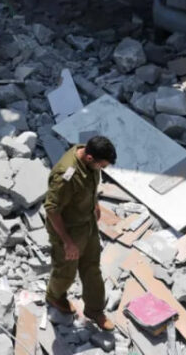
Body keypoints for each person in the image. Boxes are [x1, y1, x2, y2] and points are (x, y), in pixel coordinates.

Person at [44, 135, 117, 331]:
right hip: (68, 230)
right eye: (102, 166)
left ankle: (95, 310)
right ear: (90, 158)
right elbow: (52, 209)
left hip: (87, 223)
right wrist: (67, 242)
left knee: (92, 267)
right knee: (66, 271)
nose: (102, 169)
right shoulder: (66, 175)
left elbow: (89, 185)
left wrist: (95, 204)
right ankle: (54, 296)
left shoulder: (89, 155)